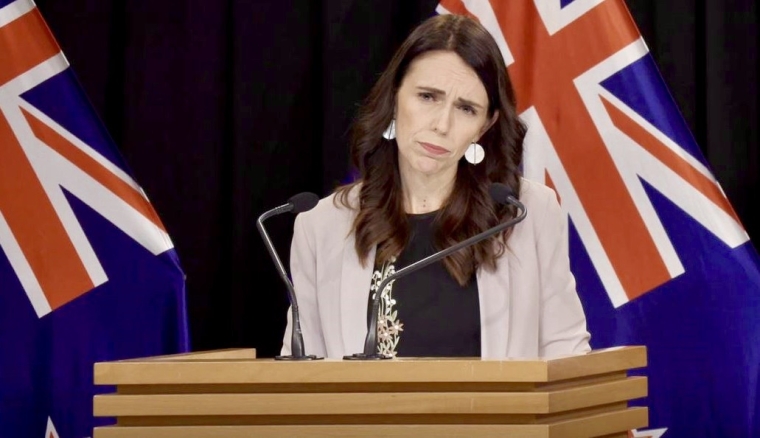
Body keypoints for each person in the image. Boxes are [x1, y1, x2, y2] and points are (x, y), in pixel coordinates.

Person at [281, 14, 590, 359]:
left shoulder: (525, 214)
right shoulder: (322, 226)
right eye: (428, 97)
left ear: (485, 126)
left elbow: (567, 355)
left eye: (466, 109)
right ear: (394, 97)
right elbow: (302, 375)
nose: (442, 125)